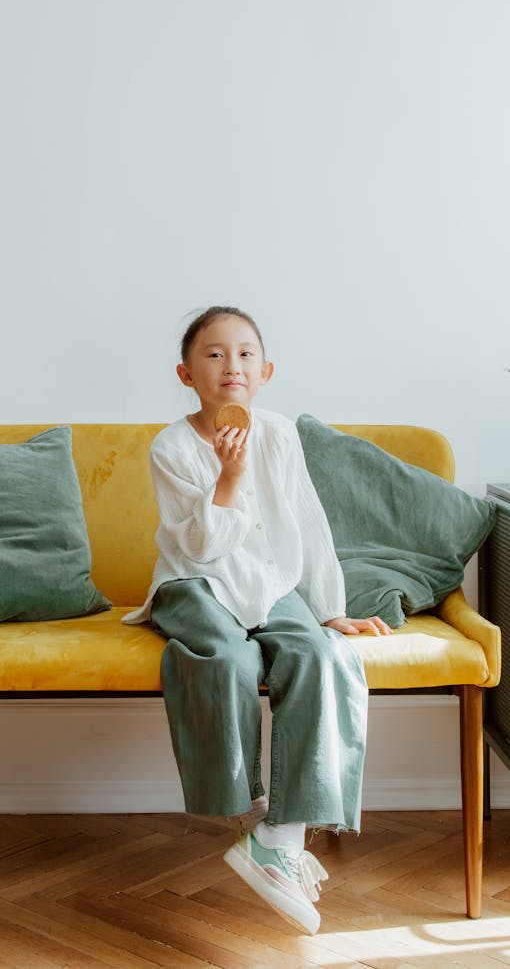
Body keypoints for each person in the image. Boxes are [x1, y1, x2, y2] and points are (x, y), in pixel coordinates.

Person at [122, 305, 392, 936]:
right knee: (229, 657)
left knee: (324, 656)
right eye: (213, 355)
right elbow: (199, 549)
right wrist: (230, 474)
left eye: (244, 354)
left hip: (269, 583)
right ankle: (248, 812)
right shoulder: (172, 447)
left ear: (265, 370)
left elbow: (305, 522)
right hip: (193, 582)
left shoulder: (279, 432)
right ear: (186, 374)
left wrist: (330, 609)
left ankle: (282, 838)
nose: (230, 366)